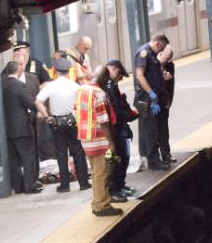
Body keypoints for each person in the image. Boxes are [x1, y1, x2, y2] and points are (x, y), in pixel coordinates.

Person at [35, 58, 91, 193]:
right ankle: (83, 183)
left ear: (55, 71)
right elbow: (84, 101)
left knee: (61, 154)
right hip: (74, 121)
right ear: (68, 71)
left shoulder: (51, 86)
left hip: (57, 123)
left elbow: (38, 101)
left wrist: (47, 116)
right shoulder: (74, 86)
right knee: (78, 151)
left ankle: (65, 185)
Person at [74, 65, 122, 216]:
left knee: (95, 172)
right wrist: (111, 143)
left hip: (85, 137)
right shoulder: (99, 93)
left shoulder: (81, 90)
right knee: (102, 172)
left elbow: (75, 111)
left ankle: (96, 202)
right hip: (99, 139)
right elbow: (103, 120)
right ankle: (102, 206)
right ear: (105, 78)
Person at [1, 61, 43, 194]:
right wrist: (40, 111)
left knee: (13, 160)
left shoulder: (0, 85)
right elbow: (30, 103)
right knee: (28, 157)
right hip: (22, 128)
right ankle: (30, 186)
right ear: (18, 71)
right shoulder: (20, 85)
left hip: (6, 129)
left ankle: (18, 187)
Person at [133, 33, 170, 171]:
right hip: (146, 99)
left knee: (157, 128)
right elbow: (140, 75)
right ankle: (153, 161)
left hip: (155, 98)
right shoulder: (144, 54)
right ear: (158, 44)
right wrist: (151, 93)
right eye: (162, 48)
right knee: (151, 130)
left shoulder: (153, 55)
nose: (161, 52)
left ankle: (156, 158)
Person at [104, 59, 139, 203]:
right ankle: (113, 190)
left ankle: (120, 185)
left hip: (120, 128)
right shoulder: (107, 86)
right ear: (112, 69)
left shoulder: (113, 85)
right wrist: (130, 115)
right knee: (115, 160)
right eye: (119, 73)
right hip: (114, 130)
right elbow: (116, 109)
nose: (119, 77)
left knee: (124, 158)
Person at [157, 45, 176, 164]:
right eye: (165, 57)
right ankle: (153, 157)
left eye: (169, 58)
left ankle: (166, 154)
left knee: (164, 129)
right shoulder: (152, 64)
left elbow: (171, 84)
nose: (166, 60)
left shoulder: (170, 65)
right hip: (153, 102)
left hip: (164, 101)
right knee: (154, 130)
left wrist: (170, 100)